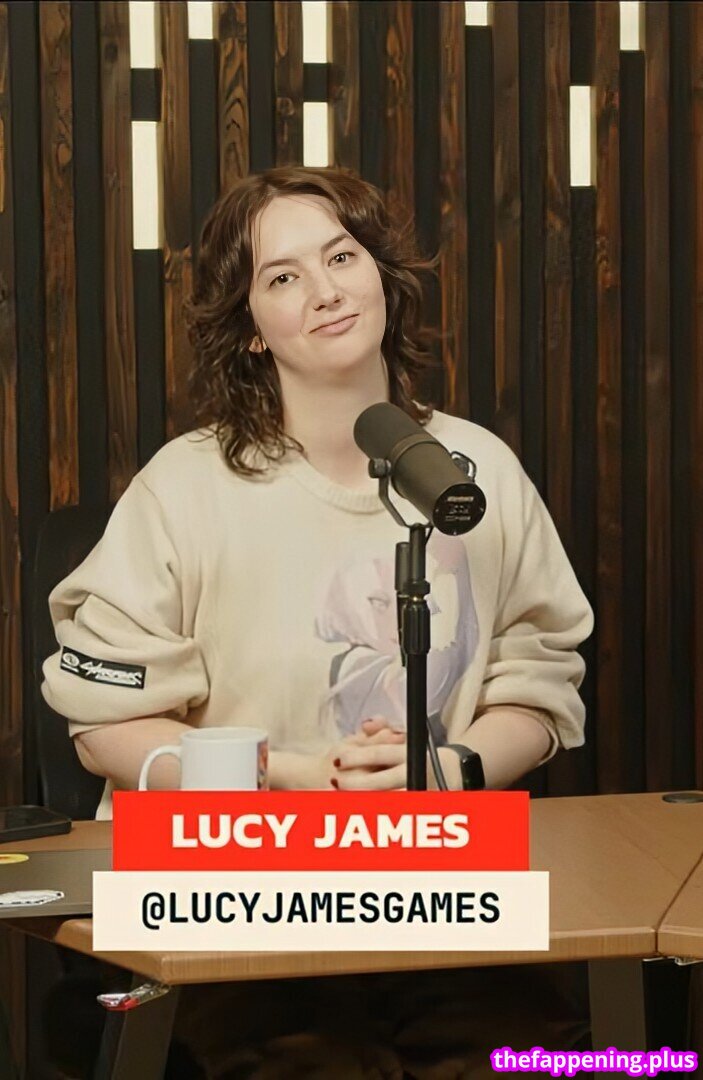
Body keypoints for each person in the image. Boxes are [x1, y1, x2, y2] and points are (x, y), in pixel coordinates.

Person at [42, 165, 594, 1078]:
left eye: (341, 258)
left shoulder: (477, 471)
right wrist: (276, 779)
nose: (326, 290)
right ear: (250, 328)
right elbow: (103, 726)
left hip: (431, 886)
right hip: (228, 888)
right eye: (283, 276)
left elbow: (537, 683)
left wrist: (447, 770)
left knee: (529, 1057)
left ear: (381, 275)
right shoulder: (184, 486)